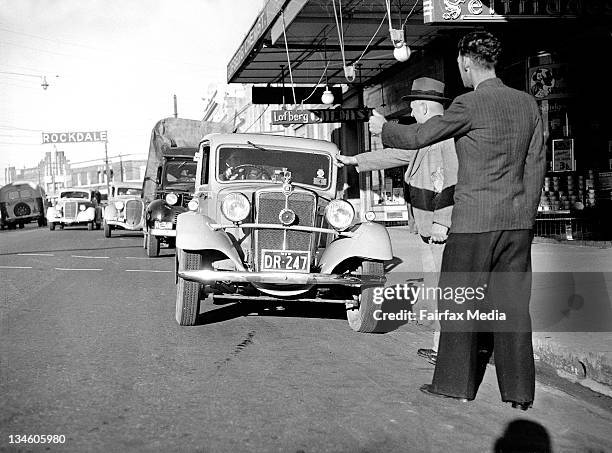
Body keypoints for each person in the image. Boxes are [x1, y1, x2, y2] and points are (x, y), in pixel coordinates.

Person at [368, 31, 546, 410]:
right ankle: (519, 392)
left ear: (466, 62)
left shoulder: (469, 104)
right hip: (516, 225)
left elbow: (422, 136)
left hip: (472, 223)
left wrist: (384, 129)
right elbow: (536, 167)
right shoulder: (528, 104)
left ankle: (454, 384)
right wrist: (525, 216)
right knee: (514, 305)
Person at [337, 77, 458, 365]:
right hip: (426, 224)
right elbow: (394, 154)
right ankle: (443, 347)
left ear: (425, 109)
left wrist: (443, 221)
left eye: (415, 108)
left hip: (439, 226)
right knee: (436, 284)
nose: (412, 114)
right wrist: (354, 161)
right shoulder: (426, 137)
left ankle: (450, 352)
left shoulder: (445, 137)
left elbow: (452, 180)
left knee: (444, 286)